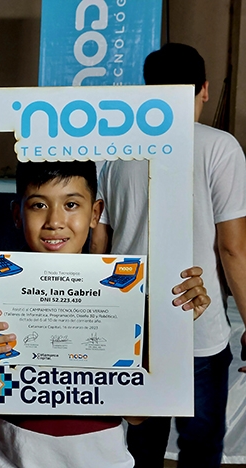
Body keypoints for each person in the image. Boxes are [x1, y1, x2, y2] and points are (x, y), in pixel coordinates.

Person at [0, 160, 210, 468]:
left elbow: (137, 414)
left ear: (95, 213)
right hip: (12, 459)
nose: (55, 221)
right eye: (38, 205)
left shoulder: (123, 299)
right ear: (17, 215)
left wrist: (172, 327)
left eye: (71, 204)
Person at [91, 43, 246, 468]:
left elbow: (99, 245)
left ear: (148, 91)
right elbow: (232, 249)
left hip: (129, 321)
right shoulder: (220, 147)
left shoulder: (114, 152)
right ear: (204, 89)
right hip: (196, 322)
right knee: (200, 447)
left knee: (140, 446)